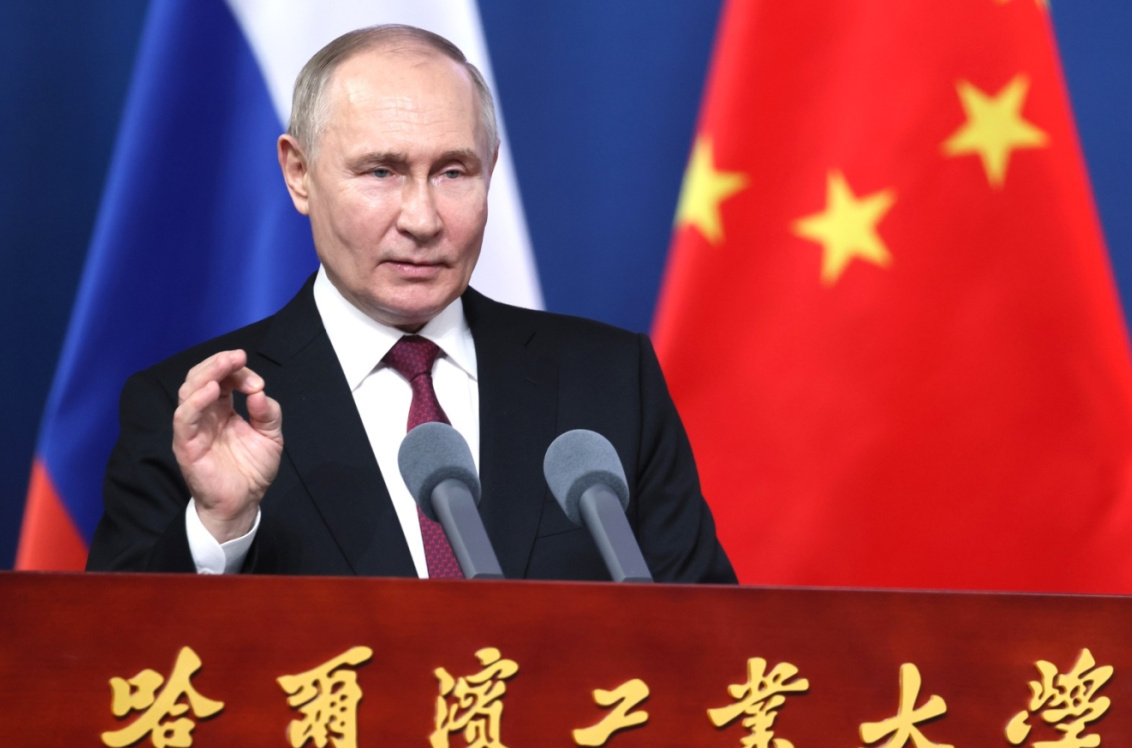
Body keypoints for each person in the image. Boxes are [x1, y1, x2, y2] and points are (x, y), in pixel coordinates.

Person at [86, 25, 735, 583]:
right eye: (381, 172)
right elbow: (119, 665)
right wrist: (219, 527)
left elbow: (710, 641)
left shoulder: (611, 380)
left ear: (491, 169)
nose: (422, 219)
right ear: (299, 174)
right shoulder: (194, 411)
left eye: (453, 172)